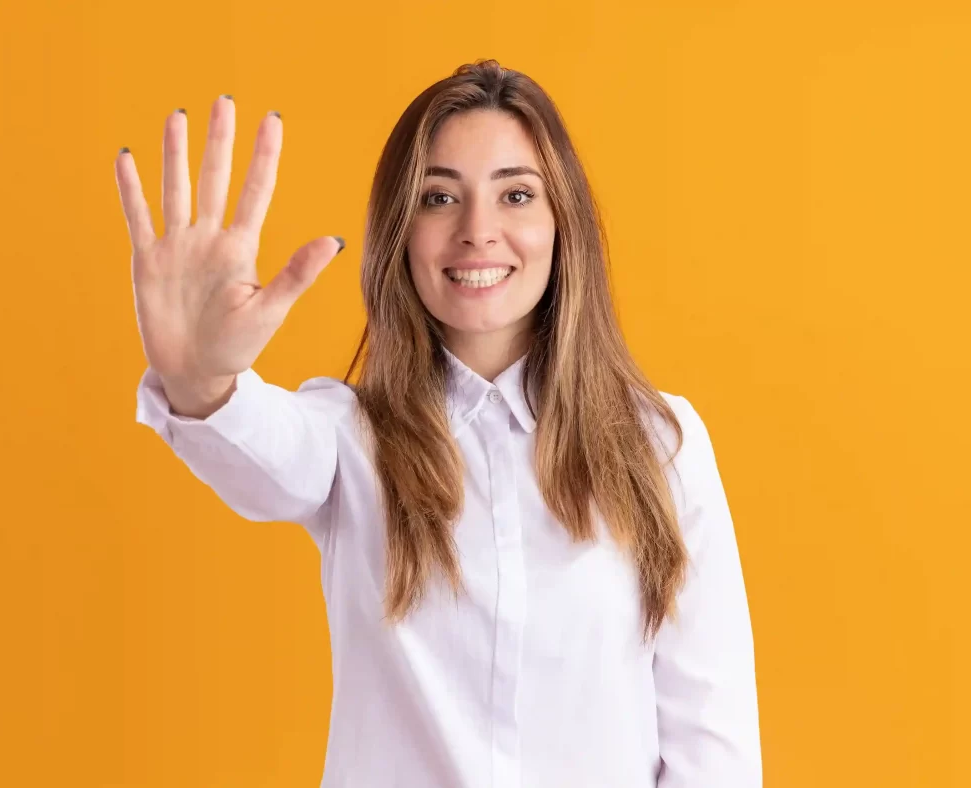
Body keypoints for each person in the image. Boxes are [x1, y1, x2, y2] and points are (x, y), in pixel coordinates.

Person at [114, 60, 761, 788]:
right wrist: (201, 377)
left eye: (516, 194)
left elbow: (714, 749)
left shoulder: (661, 443)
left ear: (563, 223)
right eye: (439, 197)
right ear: (401, 230)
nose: (477, 232)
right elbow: (264, 450)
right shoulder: (349, 440)